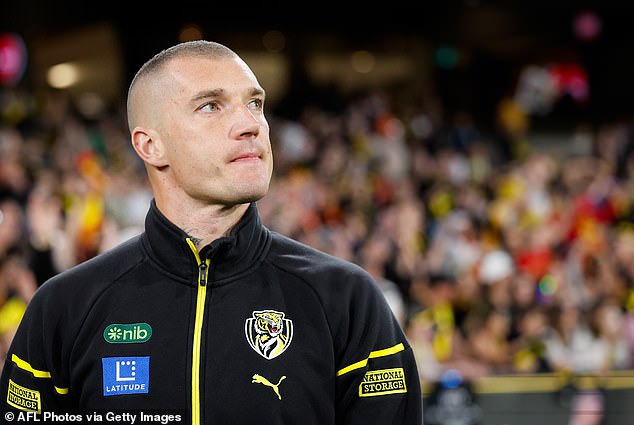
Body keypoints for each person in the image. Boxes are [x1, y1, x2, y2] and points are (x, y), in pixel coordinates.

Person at [0, 40, 422, 424]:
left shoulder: (347, 299)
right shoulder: (64, 308)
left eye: (255, 104)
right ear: (150, 145)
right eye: (210, 106)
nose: (251, 124)